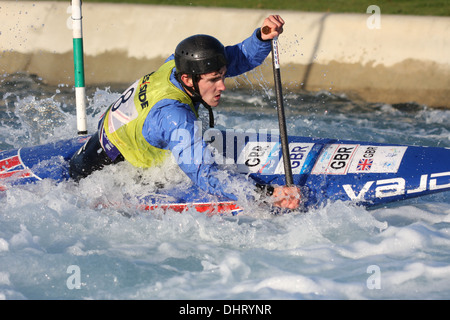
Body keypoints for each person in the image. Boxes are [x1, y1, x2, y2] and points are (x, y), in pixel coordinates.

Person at [69, 15, 301, 210]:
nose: (222, 86)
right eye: (213, 80)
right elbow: (206, 176)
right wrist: (269, 194)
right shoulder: (175, 117)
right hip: (102, 175)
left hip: (109, 138)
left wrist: (261, 37)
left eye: (222, 75)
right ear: (188, 79)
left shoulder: (177, 65)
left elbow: (238, 57)